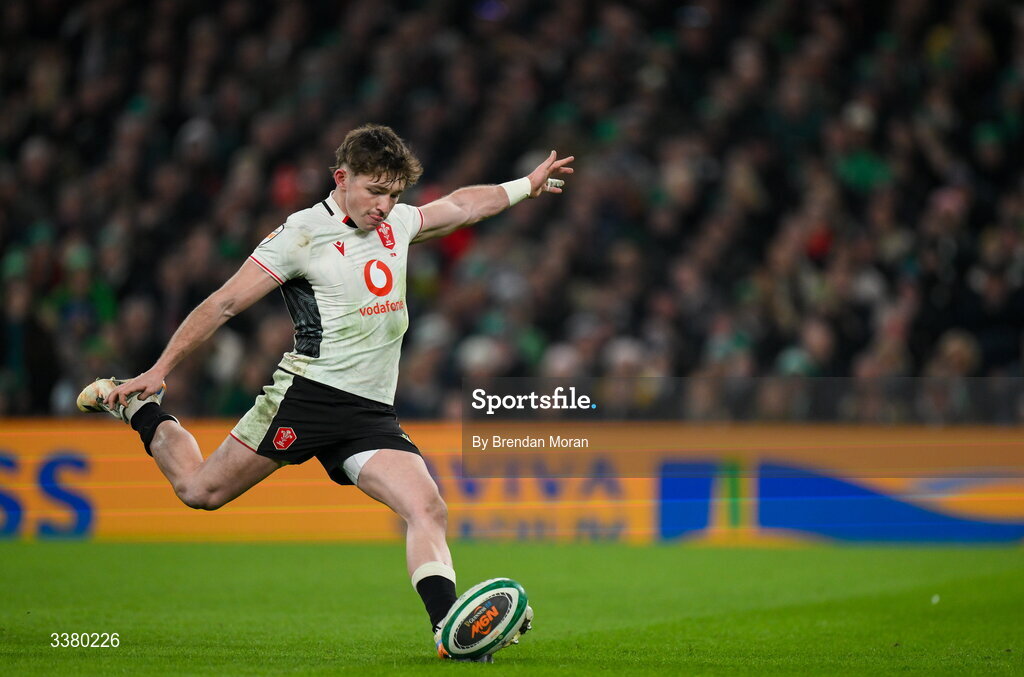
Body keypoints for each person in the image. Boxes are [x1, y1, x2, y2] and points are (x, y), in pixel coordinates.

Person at [77, 124, 574, 661]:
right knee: (200, 492)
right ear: (342, 178)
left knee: (427, 506)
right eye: (374, 191)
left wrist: (527, 183)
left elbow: (462, 205)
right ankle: (141, 407)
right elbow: (222, 304)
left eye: (394, 194)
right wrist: (159, 367)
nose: (384, 206)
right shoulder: (301, 234)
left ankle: (446, 631)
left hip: (369, 415)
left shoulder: (398, 223)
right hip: (306, 397)